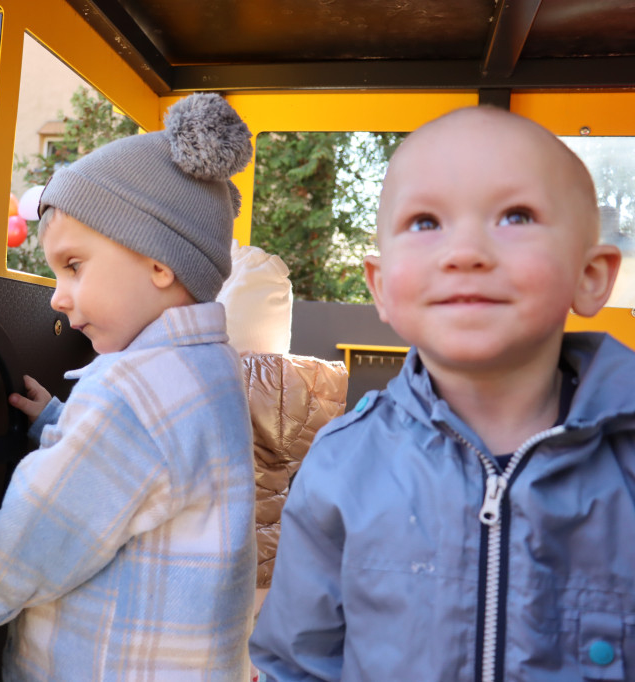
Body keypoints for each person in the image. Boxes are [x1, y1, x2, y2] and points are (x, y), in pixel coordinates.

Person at [0, 93, 258, 680]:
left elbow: (42, 535)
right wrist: (60, 420)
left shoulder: (130, 390)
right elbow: (148, 469)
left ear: (161, 262)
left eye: (74, 266)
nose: (58, 295)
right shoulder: (211, 369)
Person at [249, 106, 635, 681]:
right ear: (380, 288)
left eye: (516, 215)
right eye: (426, 222)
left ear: (591, 275)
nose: (466, 252)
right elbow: (296, 662)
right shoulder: (341, 463)